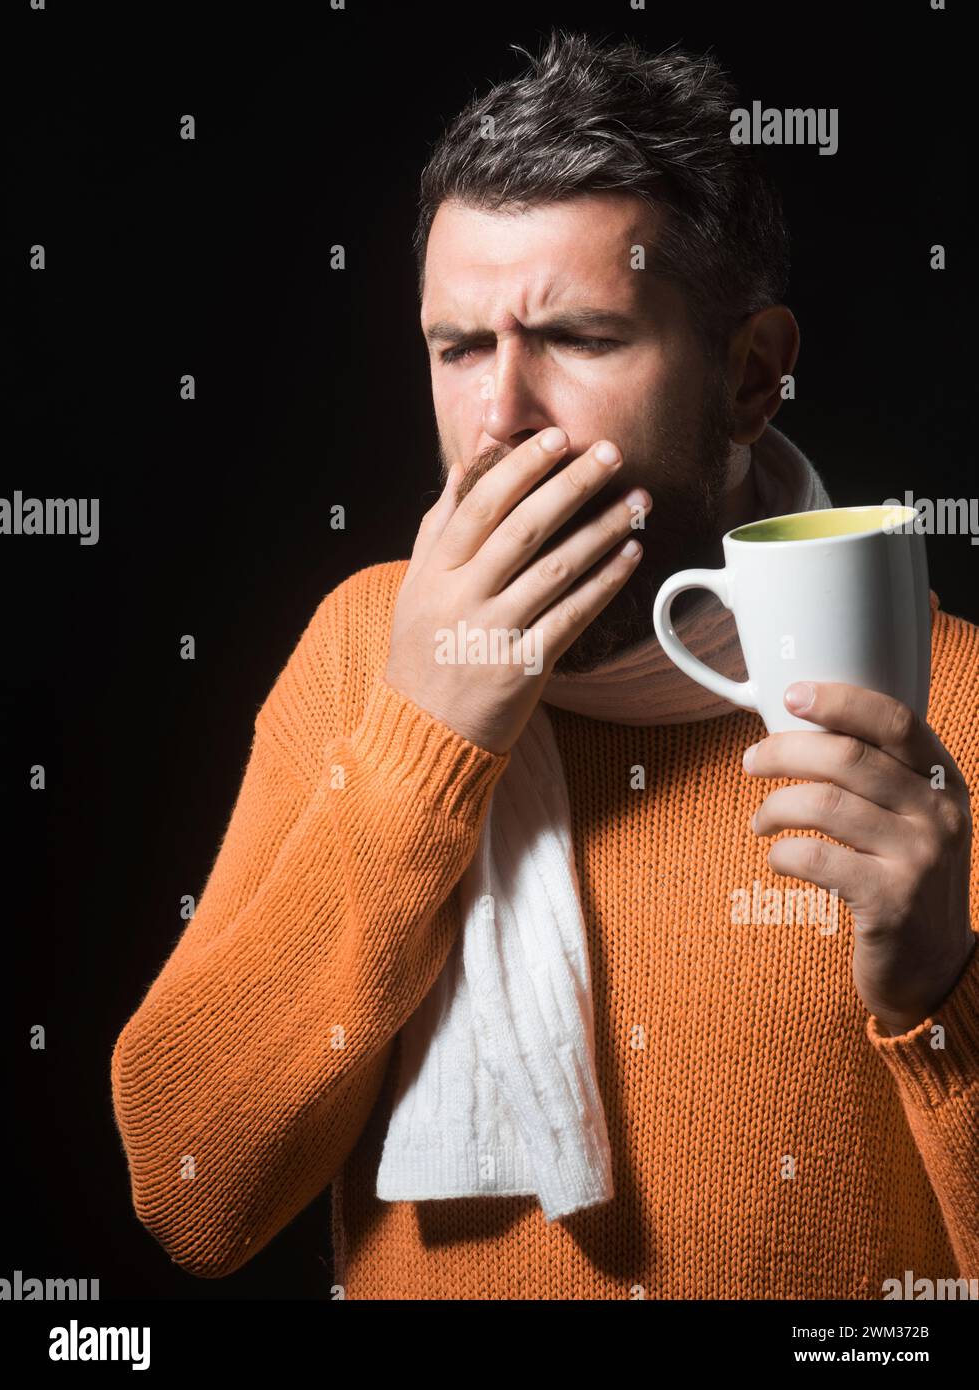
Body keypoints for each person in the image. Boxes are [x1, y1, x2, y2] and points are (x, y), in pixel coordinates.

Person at [111, 30, 979, 1299]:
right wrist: (424, 739)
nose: (499, 418)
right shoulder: (366, 648)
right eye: (459, 347)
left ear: (749, 377)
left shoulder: (942, 705)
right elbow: (192, 1187)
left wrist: (939, 990)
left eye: (576, 337)